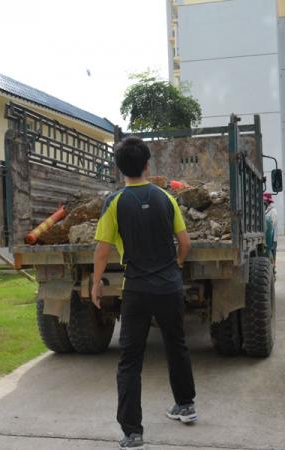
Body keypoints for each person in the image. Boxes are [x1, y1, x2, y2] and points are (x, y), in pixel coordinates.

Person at [91, 136, 197, 450]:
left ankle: (133, 434)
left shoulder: (115, 202)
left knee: (130, 360)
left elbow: (102, 250)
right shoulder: (166, 198)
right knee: (177, 346)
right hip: (169, 287)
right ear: (148, 164)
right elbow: (185, 242)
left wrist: (96, 282)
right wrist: (175, 265)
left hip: (136, 288)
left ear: (118, 168)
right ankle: (186, 405)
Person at [263, 192, 278, 262]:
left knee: (272, 252)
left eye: (265, 201)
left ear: (268, 201)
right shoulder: (264, 210)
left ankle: (273, 267)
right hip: (266, 235)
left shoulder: (273, 211)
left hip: (272, 237)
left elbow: (273, 224)